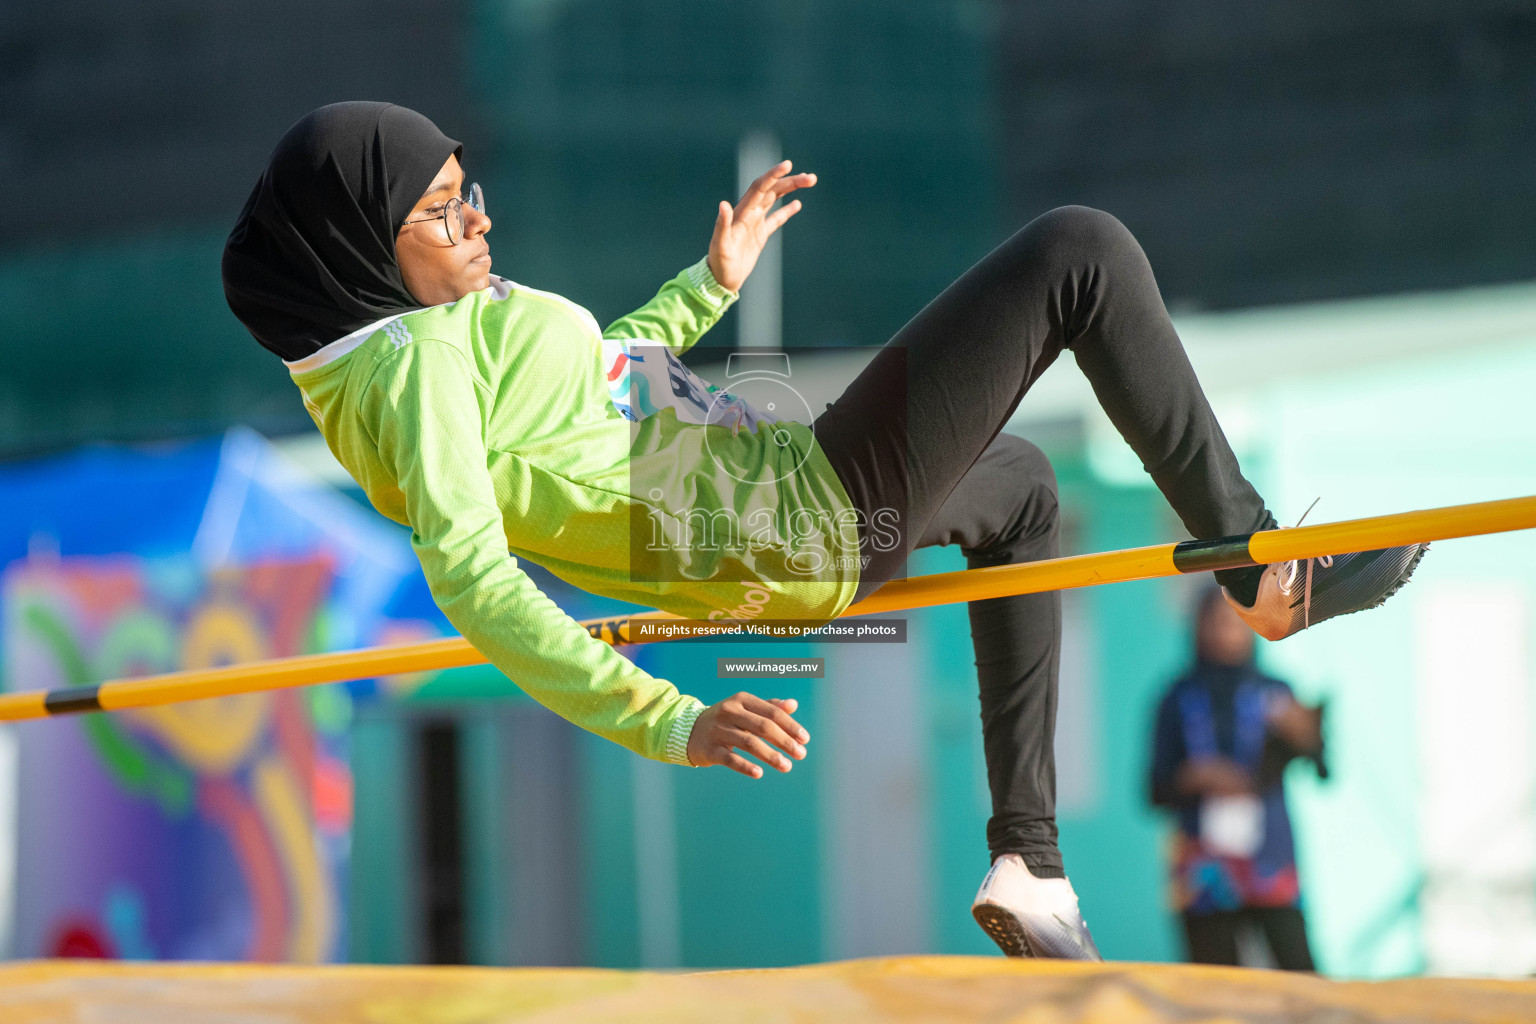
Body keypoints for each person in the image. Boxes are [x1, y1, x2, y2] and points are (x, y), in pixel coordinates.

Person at [221, 102, 1424, 960]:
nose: (477, 221)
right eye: (439, 211)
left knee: (1020, 492)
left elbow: (588, 405)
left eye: (466, 190)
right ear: (361, 249)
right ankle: (1261, 572)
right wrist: (672, 719)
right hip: (786, 511)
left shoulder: (388, 366)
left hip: (777, 496)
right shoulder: (420, 365)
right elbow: (475, 579)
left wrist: (709, 285)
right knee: (1081, 253)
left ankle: (1033, 865)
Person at [1148, 587, 1328, 970]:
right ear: (1196, 627)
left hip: (1270, 860)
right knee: (1215, 990)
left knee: (1301, 981)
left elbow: (1323, 771)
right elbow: (1152, 790)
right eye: (1214, 621)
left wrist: (1308, 736)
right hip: (1204, 870)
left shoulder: (1277, 691)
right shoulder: (1175, 696)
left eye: (1235, 621)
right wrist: (1194, 777)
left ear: (1252, 626)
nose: (1224, 631)